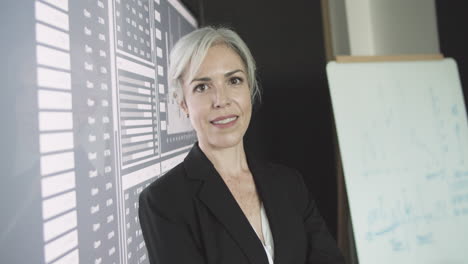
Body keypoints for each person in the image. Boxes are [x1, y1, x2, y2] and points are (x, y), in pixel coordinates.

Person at [138, 26, 345, 264]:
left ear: (249, 89)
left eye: (234, 80)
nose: (221, 100)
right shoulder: (164, 201)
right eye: (202, 87)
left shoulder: (289, 184)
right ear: (183, 103)